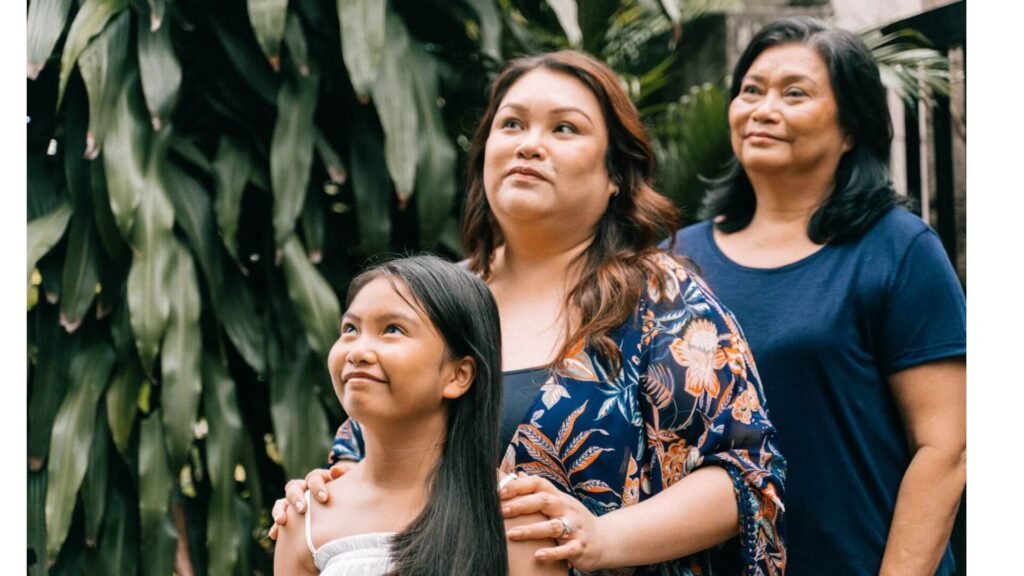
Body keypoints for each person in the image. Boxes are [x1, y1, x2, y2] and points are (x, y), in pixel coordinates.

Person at [274, 51, 787, 575]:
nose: (529, 145)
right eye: (512, 124)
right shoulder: (432, 300)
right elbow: (362, 451)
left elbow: (744, 477)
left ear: (616, 174)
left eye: (564, 128)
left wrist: (600, 538)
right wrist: (316, 498)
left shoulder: (660, 298)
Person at [672, 17, 966, 576]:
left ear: (851, 128)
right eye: (751, 90)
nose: (762, 108)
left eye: (795, 93)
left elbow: (945, 451)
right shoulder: (677, 259)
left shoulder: (898, 249)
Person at [273, 255, 566, 575]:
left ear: (458, 375)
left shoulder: (516, 516)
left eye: (392, 329)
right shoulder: (307, 518)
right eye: (350, 329)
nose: (357, 351)